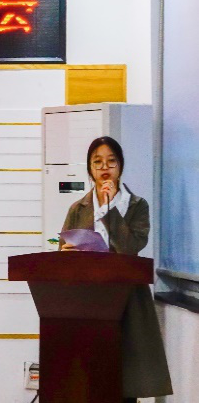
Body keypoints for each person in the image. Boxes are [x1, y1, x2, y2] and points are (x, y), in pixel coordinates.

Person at [59, 136, 173, 402]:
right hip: (87, 300)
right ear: (90, 168)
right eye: (97, 162)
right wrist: (66, 254)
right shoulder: (78, 208)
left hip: (127, 299)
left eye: (111, 161)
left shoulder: (136, 205)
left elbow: (131, 248)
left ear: (120, 166)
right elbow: (64, 248)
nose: (104, 168)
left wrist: (110, 210)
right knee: (90, 376)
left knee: (124, 377)